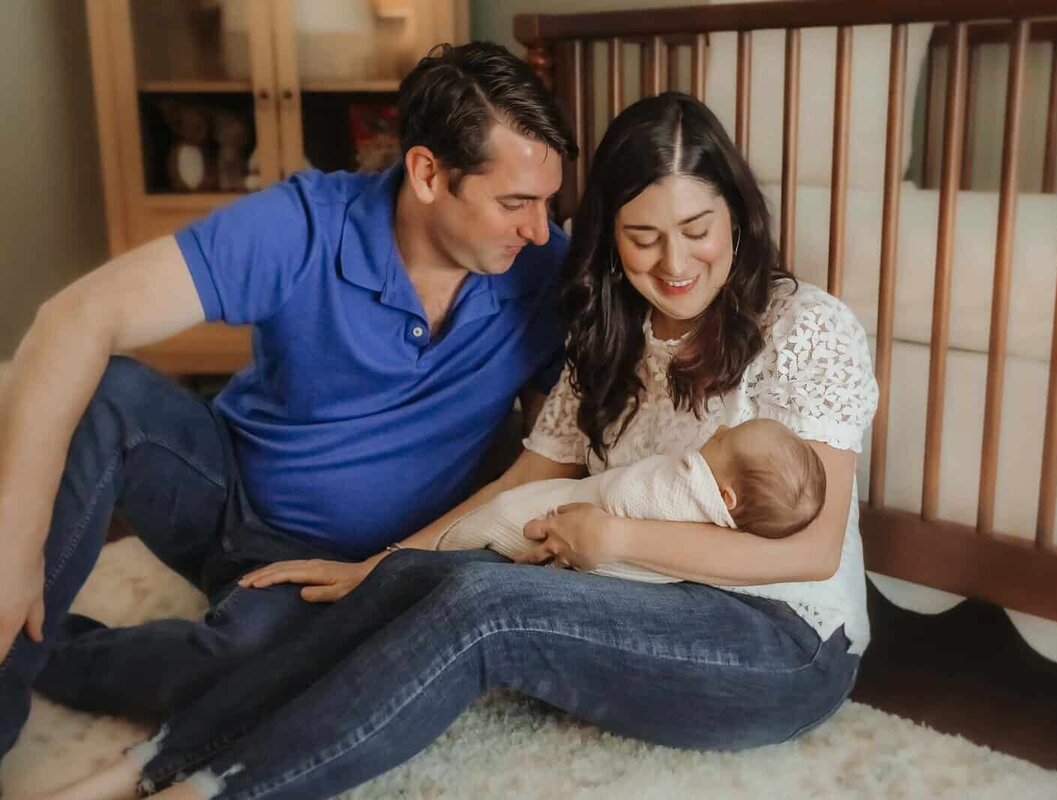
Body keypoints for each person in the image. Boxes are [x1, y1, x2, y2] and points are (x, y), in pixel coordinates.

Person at [36, 90, 879, 800]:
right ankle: (152, 761)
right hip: (638, 602)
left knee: (487, 608)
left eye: (699, 228)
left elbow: (806, 551)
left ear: (737, 213)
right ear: (611, 240)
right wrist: (382, 568)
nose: (677, 263)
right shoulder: (606, 343)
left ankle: (216, 788)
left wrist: (617, 538)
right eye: (643, 236)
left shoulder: (806, 328)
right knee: (434, 579)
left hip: (782, 642)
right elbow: (524, 479)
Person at [0, 41, 576, 758]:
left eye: (549, 201)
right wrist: (13, 544)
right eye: (516, 202)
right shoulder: (303, 223)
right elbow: (75, 317)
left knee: (259, 672)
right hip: (226, 493)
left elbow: (575, 442)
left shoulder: (545, 272)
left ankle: (62, 656)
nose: (541, 228)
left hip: (352, 570)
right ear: (428, 173)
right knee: (102, 394)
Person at [428, 418, 827, 583]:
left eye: (724, 439)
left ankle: (446, 547)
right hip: (566, 526)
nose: (719, 428)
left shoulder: (686, 493)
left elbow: (628, 496)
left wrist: (607, 530)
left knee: (490, 536)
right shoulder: (714, 502)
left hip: (562, 533)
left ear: (726, 497)